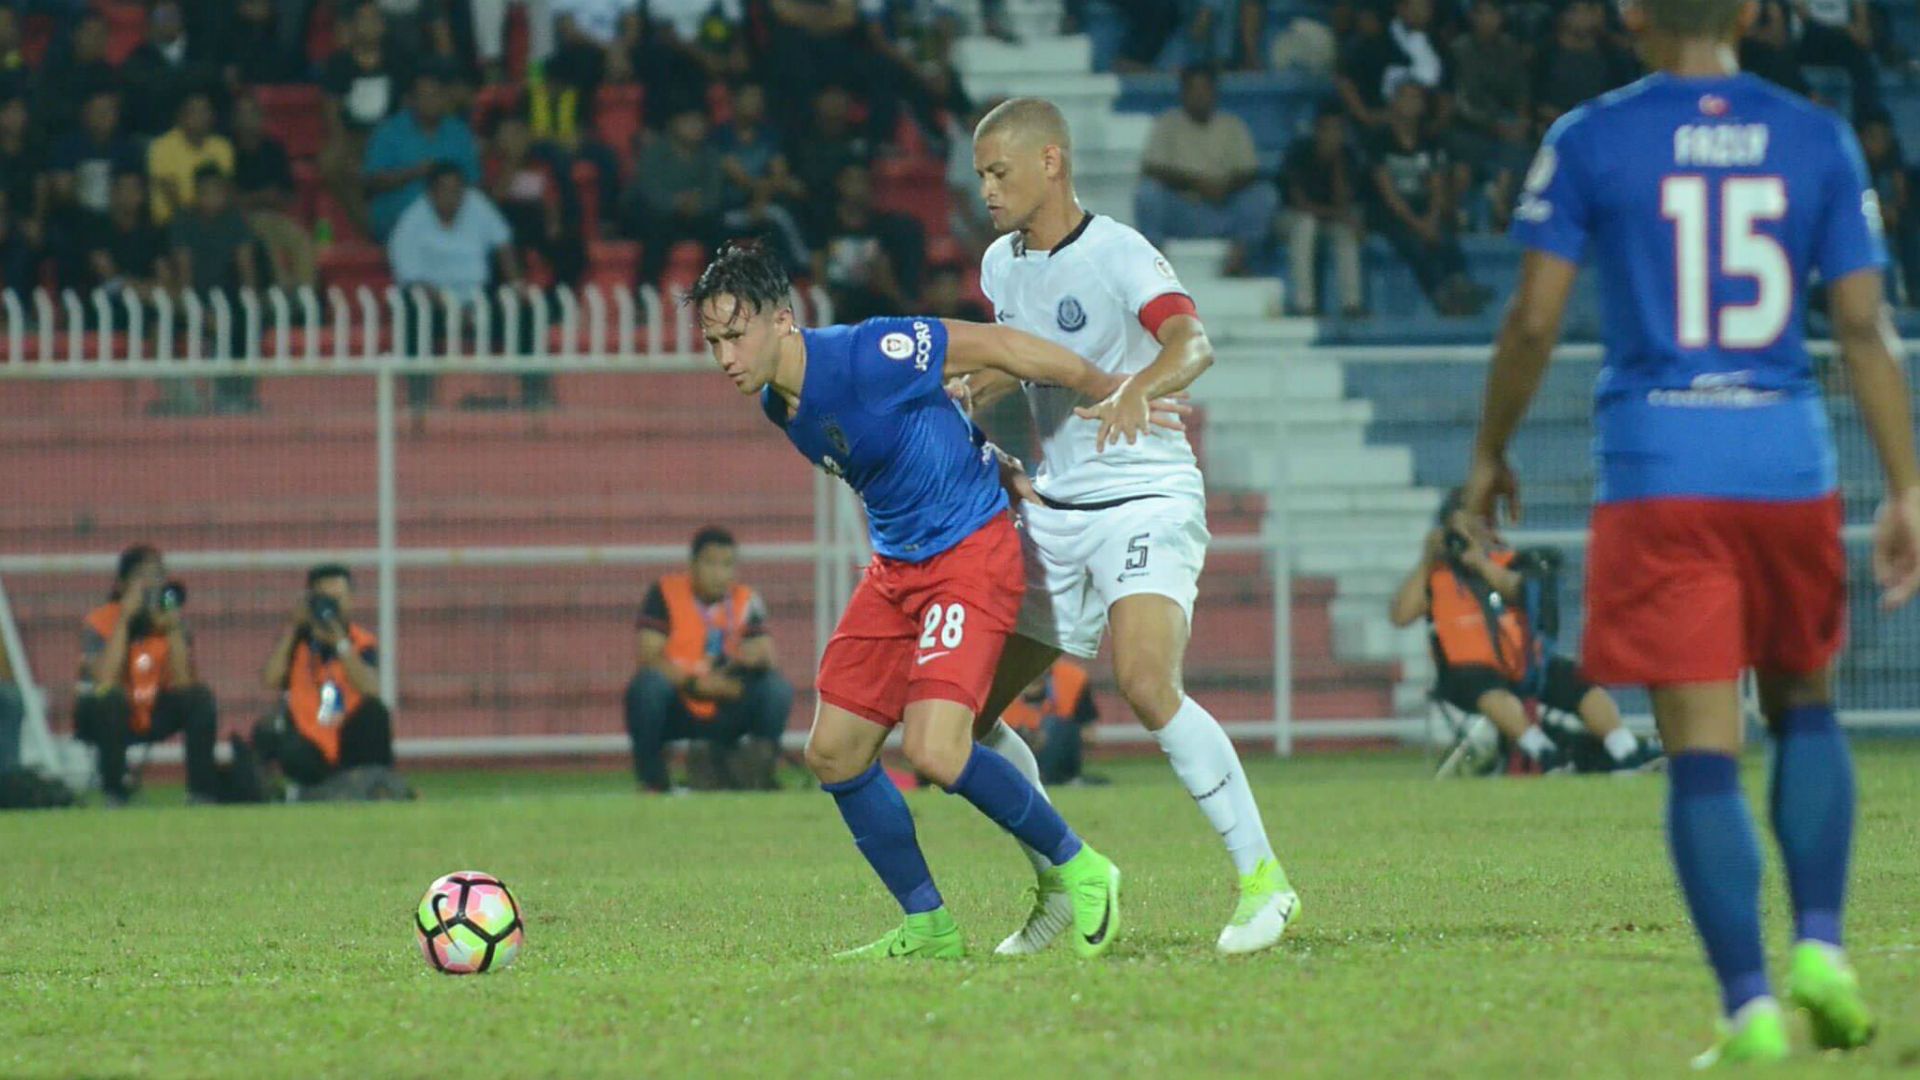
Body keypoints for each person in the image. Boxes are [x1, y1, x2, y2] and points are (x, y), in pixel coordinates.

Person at [1461, 0, 1920, 1063]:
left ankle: (1749, 1004)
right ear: (1753, 9)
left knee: (1705, 752)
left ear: (1630, 11)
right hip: (1785, 461)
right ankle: (1822, 947)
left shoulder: (1591, 136)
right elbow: (1863, 326)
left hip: (1662, 467)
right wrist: (1905, 486)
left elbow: (1534, 319)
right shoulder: (1816, 134)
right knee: (1805, 706)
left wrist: (1488, 452)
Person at [689, 240, 1131, 960]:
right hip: (898, 571)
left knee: (935, 749)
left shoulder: (867, 354)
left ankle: (1082, 868)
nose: (725, 357)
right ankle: (930, 927)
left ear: (783, 319)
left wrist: (1110, 386)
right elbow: (914, 434)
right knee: (833, 752)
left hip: (968, 556)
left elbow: (1001, 347)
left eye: (736, 335)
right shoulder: (777, 401)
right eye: (713, 342)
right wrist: (980, 450)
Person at [964, 97, 1299, 957]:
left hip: (1146, 495)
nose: (986, 189)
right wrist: (970, 392)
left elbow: (1192, 343)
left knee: (1147, 683)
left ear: (1051, 162)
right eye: (980, 175)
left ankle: (1264, 881)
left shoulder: (1118, 251)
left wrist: (1138, 389)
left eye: (999, 171)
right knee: (965, 715)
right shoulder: (1000, 266)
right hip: (1056, 508)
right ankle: (1063, 883)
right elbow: (1021, 362)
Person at [1389, 489, 1660, 774]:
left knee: (1579, 682)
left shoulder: (1510, 562)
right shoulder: (1436, 576)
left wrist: (1480, 563)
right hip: (1464, 673)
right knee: (1488, 690)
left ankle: (1626, 751)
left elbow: (1523, 593)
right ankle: (1545, 754)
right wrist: (1427, 561)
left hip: (1524, 664)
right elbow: (1401, 615)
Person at [624, 526, 792, 793]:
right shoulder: (665, 593)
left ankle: (757, 774)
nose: (719, 574)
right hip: (681, 699)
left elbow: (766, 654)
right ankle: (654, 781)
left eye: (727, 564)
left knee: (775, 689)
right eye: (711, 563)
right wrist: (696, 684)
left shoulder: (746, 599)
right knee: (647, 688)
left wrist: (749, 661)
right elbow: (649, 655)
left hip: (728, 697)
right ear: (692, 565)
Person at [74, 545, 220, 805]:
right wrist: (124, 621)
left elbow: (183, 683)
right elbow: (105, 680)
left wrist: (173, 628)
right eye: (143, 576)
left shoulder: (169, 621)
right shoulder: (99, 621)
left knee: (200, 697)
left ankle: (201, 792)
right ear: (122, 585)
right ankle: (115, 792)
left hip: (150, 707)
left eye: (158, 575)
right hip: (103, 712)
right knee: (111, 700)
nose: (152, 583)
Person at [255, 564, 398, 790]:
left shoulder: (361, 642)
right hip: (308, 739)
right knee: (270, 731)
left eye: (337, 599)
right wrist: (292, 628)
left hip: (348, 736)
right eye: (325, 599)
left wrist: (340, 643)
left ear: (351, 600)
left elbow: (370, 688)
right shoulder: (297, 642)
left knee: (376, 714)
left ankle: (377, 785)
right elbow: (270, 679)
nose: (331, 607)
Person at [1133, 63, 1274, 277]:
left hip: (1224, 209)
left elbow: (1250, 172)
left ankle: (1237, 260)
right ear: (1183, 93)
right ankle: (1157, 266)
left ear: (1214, 92)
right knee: (1147, 193)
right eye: (1193, 90)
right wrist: (1196, 183)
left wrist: (1225, 187)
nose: (1200, 96)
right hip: (1181, 210)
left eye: (1205, 89)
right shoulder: (1167, 123)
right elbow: (1152, 169)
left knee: (1264, 195)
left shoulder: (1232, 125)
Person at [1369, 81, 1487, 316]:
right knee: (1413, 243)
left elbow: (1437, 186)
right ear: (1395, 102)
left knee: (1444, 234)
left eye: (1417, 98)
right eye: (1406, 97)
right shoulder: (1379, 141)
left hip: (1423, 207)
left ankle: (1460, 284)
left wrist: (1432, 219)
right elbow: (1388, 193)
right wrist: (1419, 225)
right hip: (1392, 212)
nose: (1412, 104)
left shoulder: (1430, 142)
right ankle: (1440, 296)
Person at [321, 0, 411, 235]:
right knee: (331, 163)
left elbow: (405, 106)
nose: (370, 25)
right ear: (352, 26)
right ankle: (367, 226)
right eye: (364, 20)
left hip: (388, 135)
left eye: (375, 19)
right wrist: (341, 143)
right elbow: (331, 108)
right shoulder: (339, 62)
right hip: (353, 136)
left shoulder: (397, 60)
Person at [363, 68, 479, 240]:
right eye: (424, 96)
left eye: (437, 94)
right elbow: (372, 182)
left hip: (452, 225)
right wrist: (413, 173)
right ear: (411, 100)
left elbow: (473, 183)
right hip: (398, 227)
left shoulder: (459, 132)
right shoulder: (389, 131)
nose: (432, 101)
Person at [1280, 106, 1364, 317]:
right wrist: (1337, 214)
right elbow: (1300, 204)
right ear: (1317, 130)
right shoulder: (1298, 153)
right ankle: (1304, 305)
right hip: (1289, 218)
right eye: (1328, 129)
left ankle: (1351, 304)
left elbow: (1344, 203)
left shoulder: (1348, 157)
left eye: (1338, 130)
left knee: (1346, 231)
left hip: (1329, 219)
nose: (1332, 136)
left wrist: (1337, 165)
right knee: (1306, 225)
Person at [232, 93, 317, 292]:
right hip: (241, 220)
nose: (248, 119)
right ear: (234, 119)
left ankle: (306, 295)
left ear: (261, 117)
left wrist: (273, 199)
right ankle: (281, 292)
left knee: (302, 239)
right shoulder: (228, 150)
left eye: (252, 113)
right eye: (243, 114)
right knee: (266, 237)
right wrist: (260, 197)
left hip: (276, 215)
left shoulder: (274, 150)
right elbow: (228, 198)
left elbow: (289, 196)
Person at [998, 657, 1104, 786]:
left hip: (1055, 753)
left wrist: (1052, 735)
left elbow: (1090, 736)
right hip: (1012, 750)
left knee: (1057, 726)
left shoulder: (1073, 679)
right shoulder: (997, 679)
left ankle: (1054, 776)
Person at [146, 91, 235, 227]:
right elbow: (171, 196)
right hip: (172, 223)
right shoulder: (161, 147)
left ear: (212, 116)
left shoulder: (223, 147)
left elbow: (226, 190)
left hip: (215, 221)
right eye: (194, 111)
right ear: (180, 116)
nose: (200, 116)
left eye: (204, 111)